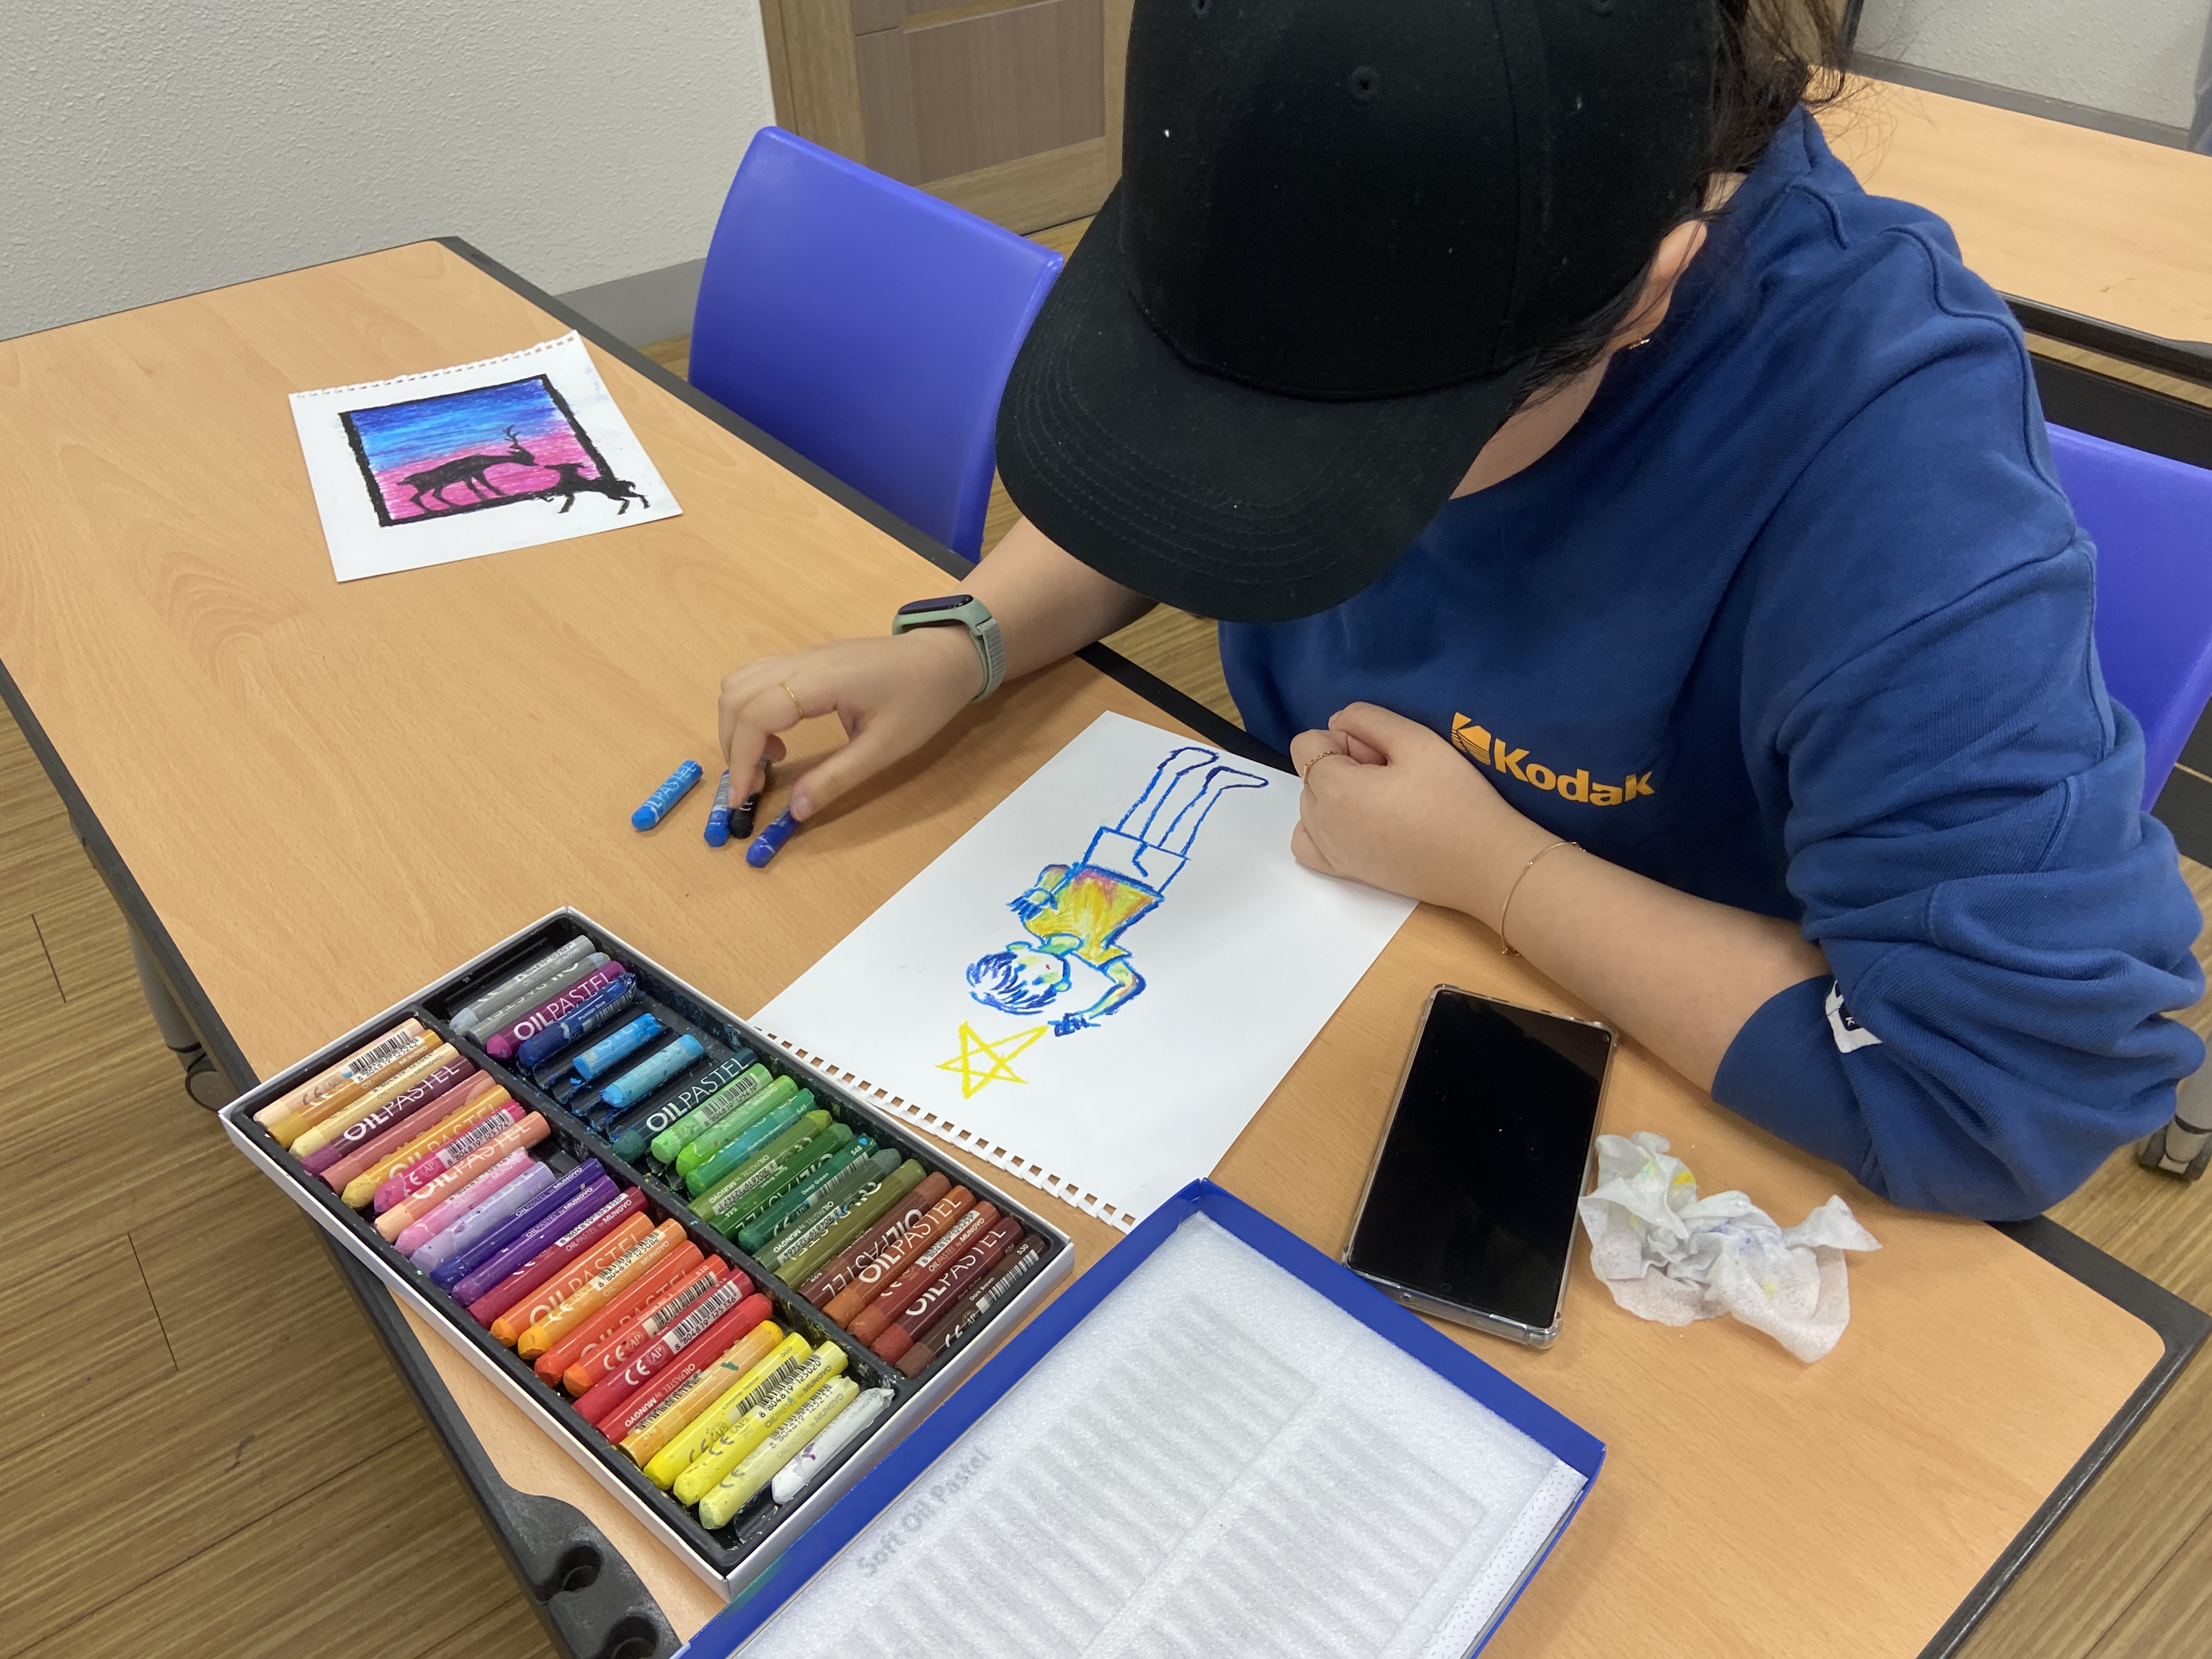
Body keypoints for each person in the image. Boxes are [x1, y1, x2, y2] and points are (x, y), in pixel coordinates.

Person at [714, 0, 2204, 1220]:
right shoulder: (1307, 145)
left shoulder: (1886, 442)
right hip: (1310, 951)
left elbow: (2012, 1090)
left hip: (1645, 1079)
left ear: (1649, 296)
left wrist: (1501, 872)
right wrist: (966, 638)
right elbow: (1202, 474)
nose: (1271, 485)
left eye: (1371, 448)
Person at [967, 744, 1266, 1034]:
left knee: (1146, 813)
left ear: (1017, 950)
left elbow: (1057, 871)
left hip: (1106, 861)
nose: (1038, 974)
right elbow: (1129, 984)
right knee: (1182, 829)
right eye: (1039, 985)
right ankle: (1217, 785)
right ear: (1060, 986)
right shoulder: (1096, 954)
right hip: (1148, 884)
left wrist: (1041, 891)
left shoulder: (1036, 920)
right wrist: (1088, 1014)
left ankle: (1174, 768)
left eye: (1022, 971)